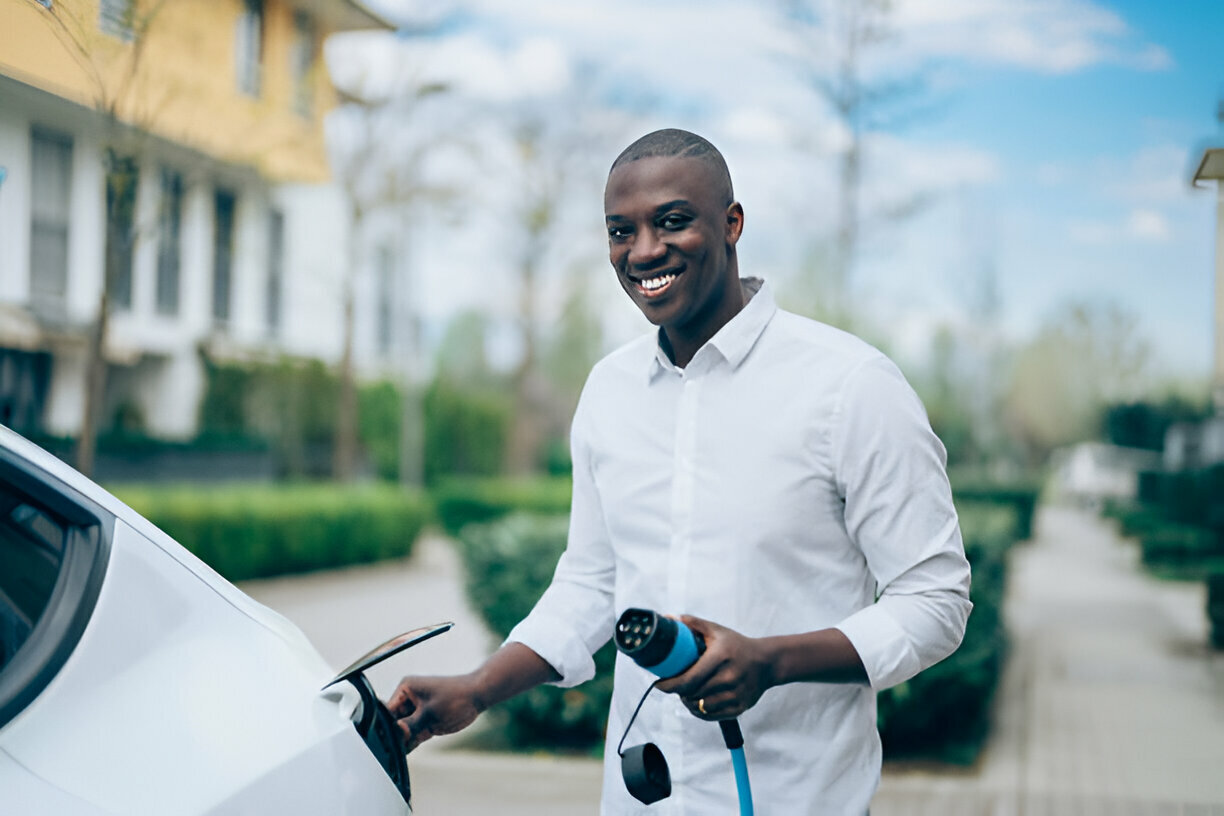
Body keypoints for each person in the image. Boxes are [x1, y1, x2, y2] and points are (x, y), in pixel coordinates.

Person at [388, 128, 972, 814]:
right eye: (619, 231)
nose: (643, 252)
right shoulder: (609, 392)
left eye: (672, 221)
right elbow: (591, 583)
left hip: (799, 797)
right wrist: (478, 688)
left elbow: (935, 602)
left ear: (732, 224)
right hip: (641, 801)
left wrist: (771, 661)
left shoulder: (851, 385)